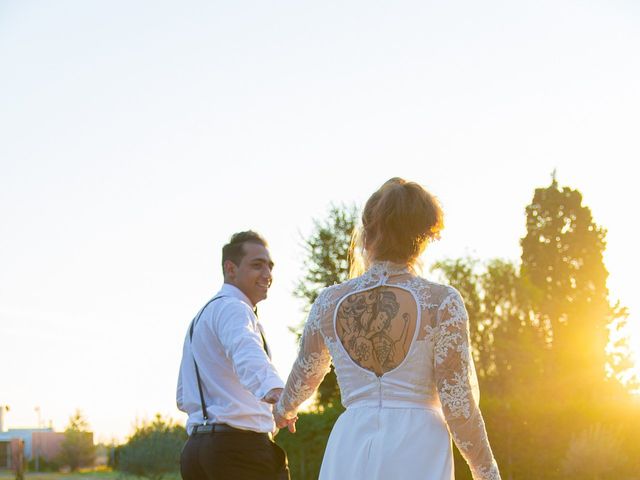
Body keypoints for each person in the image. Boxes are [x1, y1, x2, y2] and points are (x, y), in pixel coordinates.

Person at [274, 178, 501, 480]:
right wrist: (487, 472)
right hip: (418, 444)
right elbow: (458, 405)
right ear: (422, 237)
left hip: (351, 441)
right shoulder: (441, 302)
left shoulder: (329, 302)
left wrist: (283, 410)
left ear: (367, 232)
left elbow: (306, 374)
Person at [177, 231, 290, 480]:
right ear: (231, 268)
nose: (267, 275)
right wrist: (278, 392)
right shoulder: (234, 308)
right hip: (239, 452)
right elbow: (246, 349)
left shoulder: (202, 317)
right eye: (257, 265)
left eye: (270, 267)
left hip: (196, 451)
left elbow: (183, 394)